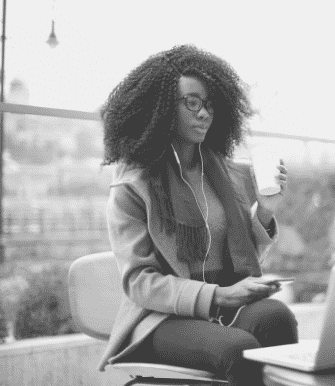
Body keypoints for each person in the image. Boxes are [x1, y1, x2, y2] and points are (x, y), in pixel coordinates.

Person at [97, 44, 298, 385]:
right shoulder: (133, 185)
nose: (204, 113)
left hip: (222, 306)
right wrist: (218, 297)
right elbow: (139, 283)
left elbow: (239, 254)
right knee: (239, 349)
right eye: (192, 102)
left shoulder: (222, 173)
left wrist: (266, 210)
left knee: (277, 317)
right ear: (160, 108)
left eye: (209, 104)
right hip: (160, 318)